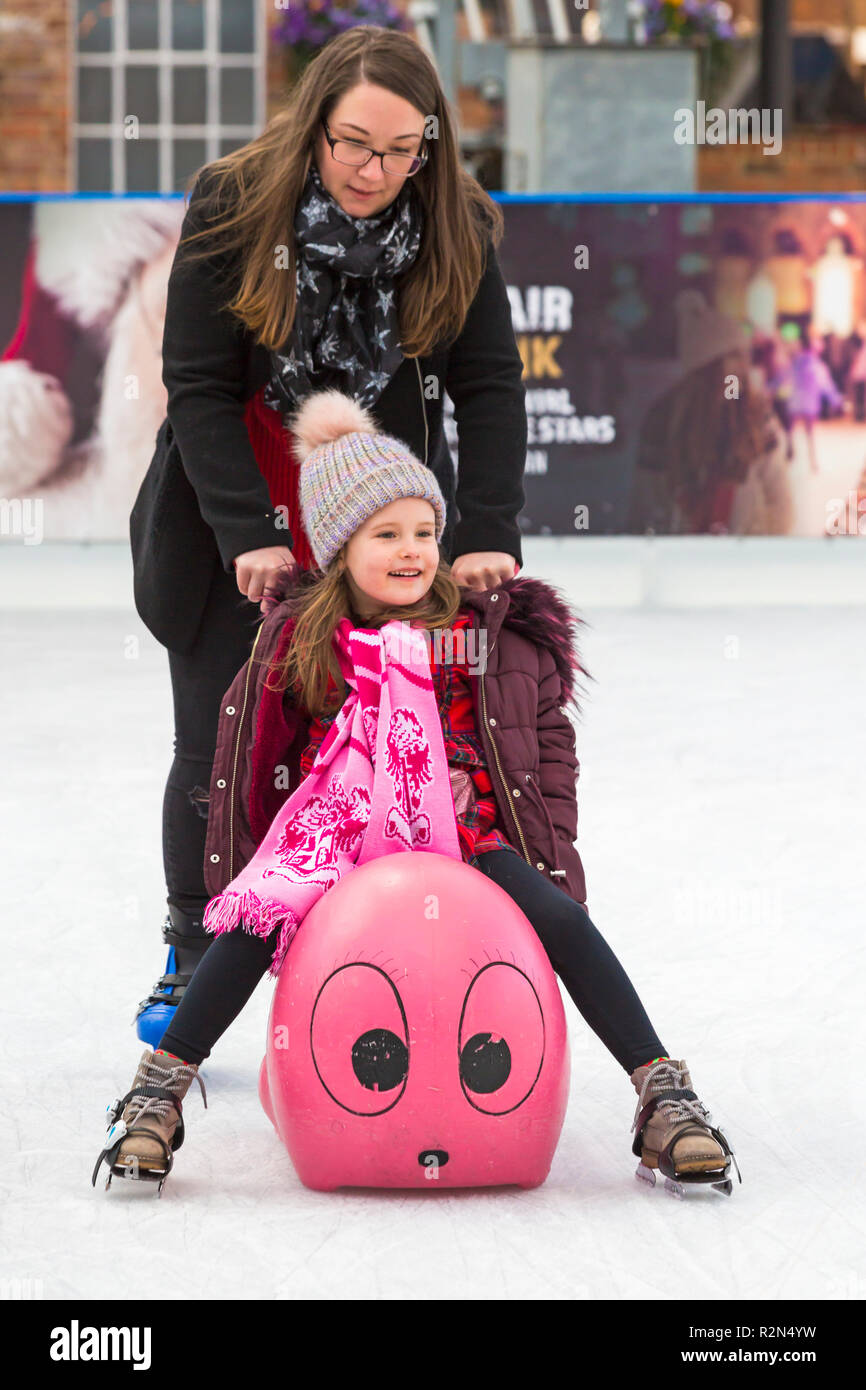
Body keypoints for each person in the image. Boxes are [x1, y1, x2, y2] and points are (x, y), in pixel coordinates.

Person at [95, 389, 741, 1199]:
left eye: (426, 533)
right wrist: (268, 860)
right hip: (336, 837)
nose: (412, 551)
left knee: (558, 919)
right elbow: (259, 756)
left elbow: (545, 748)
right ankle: (159, 1090)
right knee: (256, 924)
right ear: (338, 548)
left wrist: (543, 844)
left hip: (461, 832)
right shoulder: (304, 640)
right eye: (386, 535)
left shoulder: (478, 631)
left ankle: (661, 1091)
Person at [130, 26, 528, 1045]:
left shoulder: (456, 223)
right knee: (216, 743)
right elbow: (199, 386)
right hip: (234, 509)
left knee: (386, 742)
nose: (372, 171)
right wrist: (247, 533)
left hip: (374, 523)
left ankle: (368, 943)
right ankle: (191, 942)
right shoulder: (234, 201)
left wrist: (485, 528)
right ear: (313, 125)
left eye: (400, 152)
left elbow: (487, 383)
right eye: (353, 143)